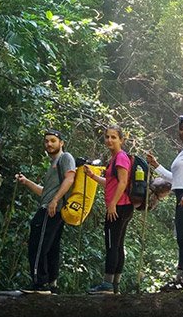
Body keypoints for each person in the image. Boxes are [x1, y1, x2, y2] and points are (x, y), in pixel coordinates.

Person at [147, 115, 183, 290]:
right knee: (181, 237)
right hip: (182, 193)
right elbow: (175, 178)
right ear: (178, 131)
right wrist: (156, 165)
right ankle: (180, 278)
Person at [15, 129, 76, 293]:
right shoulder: (53, 164)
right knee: (50, 247)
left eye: (53, 140)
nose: (49, 144)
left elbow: (70, 178)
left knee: (37, 245)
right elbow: (45, 192)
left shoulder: (65, 157)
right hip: (52, 207)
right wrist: (26, 182)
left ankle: (39, 283)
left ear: (61, 143)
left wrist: (55, 200)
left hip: (52, 209)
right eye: (47, 141)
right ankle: (52, 284)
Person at [85, 125, 134, 294]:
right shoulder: (115, 158)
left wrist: (112, 204)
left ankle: (107, 285)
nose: (110, 140)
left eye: (114, 137)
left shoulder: (121, 157)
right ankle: (114, 285)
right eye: (107, 137)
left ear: (121, 140)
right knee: (118, 245)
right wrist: (92, 176)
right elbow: (111, 183)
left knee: (112, 245)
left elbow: (123, 182)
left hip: (118, 207)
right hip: (122, 206)